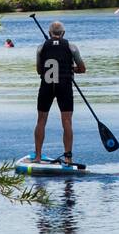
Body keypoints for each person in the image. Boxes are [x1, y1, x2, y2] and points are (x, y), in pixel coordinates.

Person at [34, 20, 87, 164]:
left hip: (46, 86)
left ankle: (38, 157)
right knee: (67, 121)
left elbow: (39, 70)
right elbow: (82, 69)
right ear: (63, 33)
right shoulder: (71, 47)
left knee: (41, 120)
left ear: (50, 33)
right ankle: (68, 158)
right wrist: (71, 69)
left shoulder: (41, 47)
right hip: (64, 86)